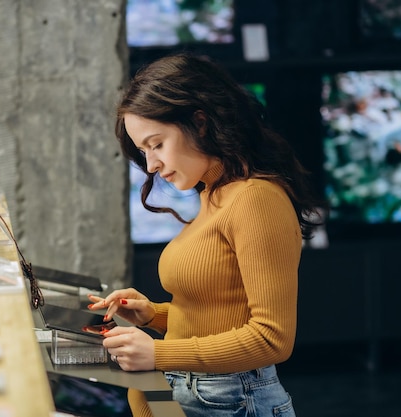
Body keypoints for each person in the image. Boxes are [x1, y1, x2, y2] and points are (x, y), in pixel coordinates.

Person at [87, 53, 324, 417]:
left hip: (230, 400)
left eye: (157, 144)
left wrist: (157, 353)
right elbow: (220, 313)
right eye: (142, 151)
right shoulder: (215, 194)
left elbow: (271, 338)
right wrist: (153, 315)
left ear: (200, 123)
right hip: (203, 394)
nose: (151, 165)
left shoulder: (255, 199)